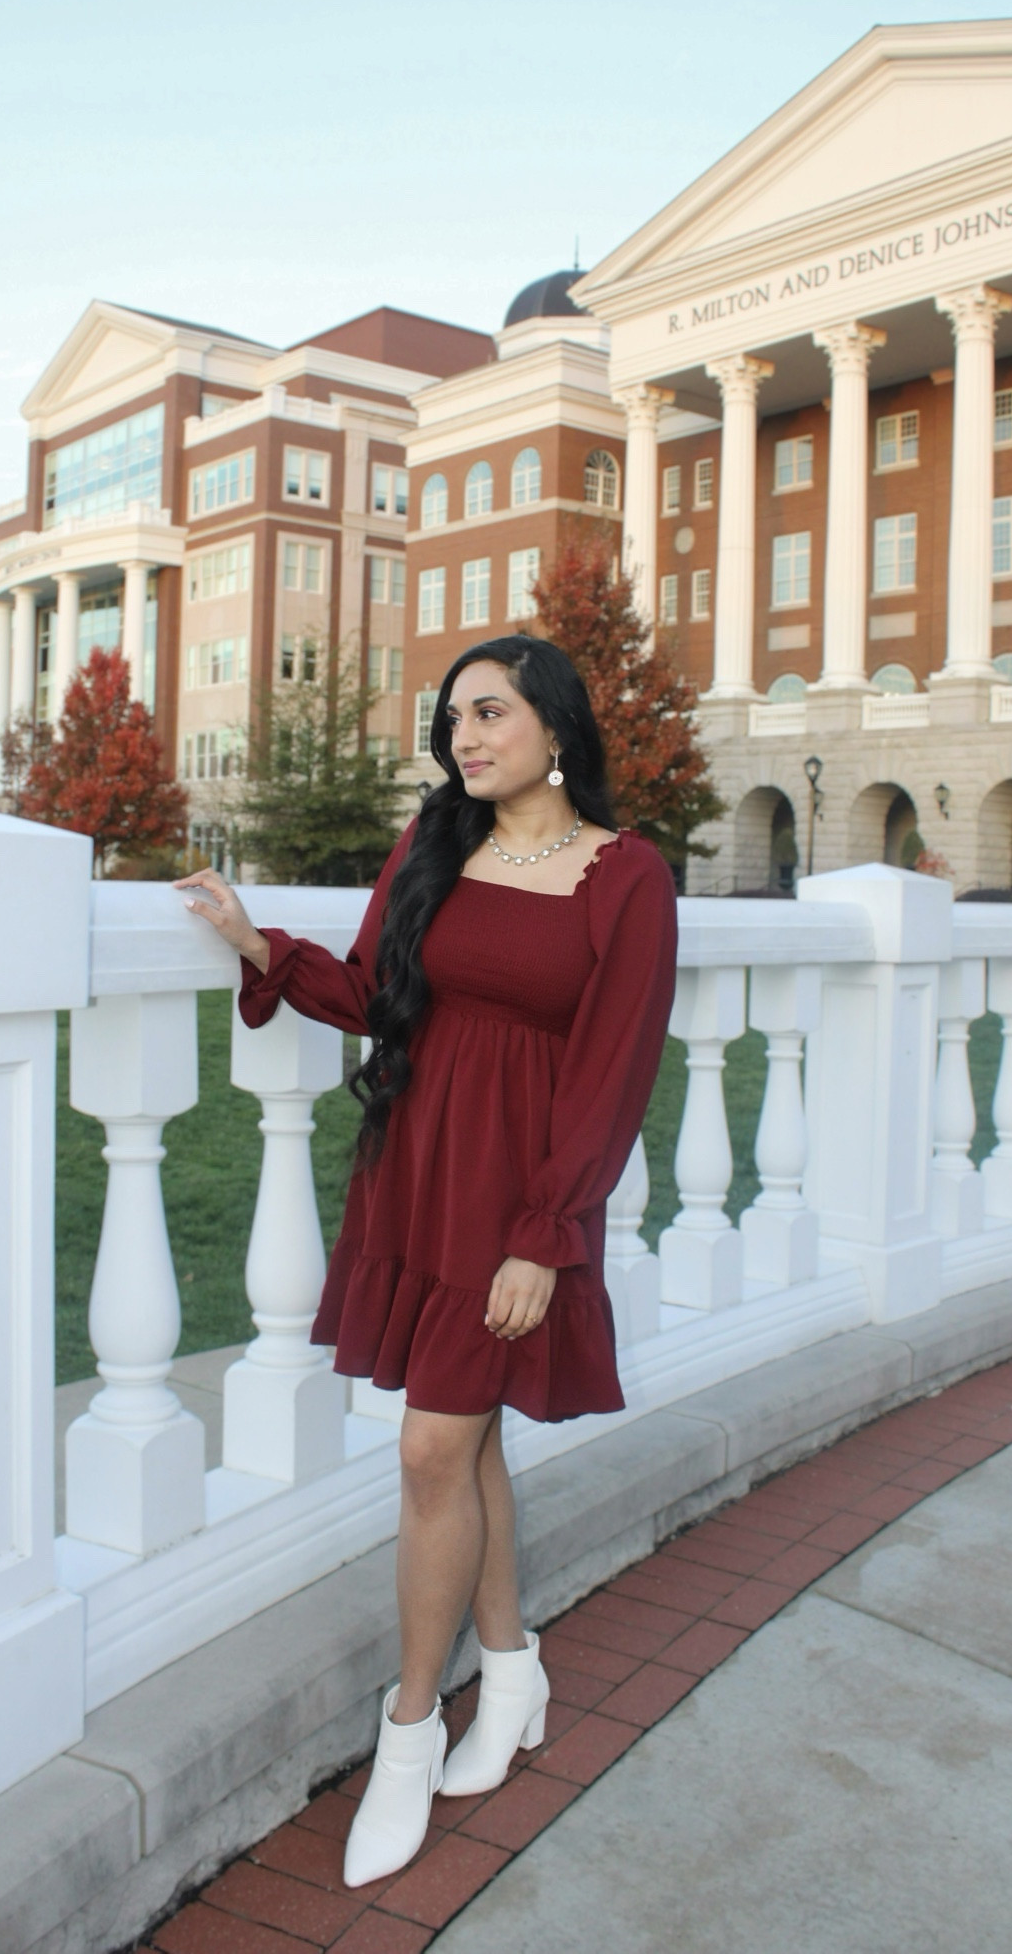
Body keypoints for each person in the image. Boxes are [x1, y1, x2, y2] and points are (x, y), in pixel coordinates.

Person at [174, 633, 678, 1887]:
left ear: (554, 727)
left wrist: (547, 1235)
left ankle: (408, 1729)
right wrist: (258, 946)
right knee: (466, 1440)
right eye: (453, 716)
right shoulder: (436, 844)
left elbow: (615, 1074)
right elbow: (373, 992)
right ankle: (509, 1676)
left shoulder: (626, 878)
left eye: (492, 712)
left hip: (516, 1203)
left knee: (429, 1449)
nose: (465, 735)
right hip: (417, 1176)